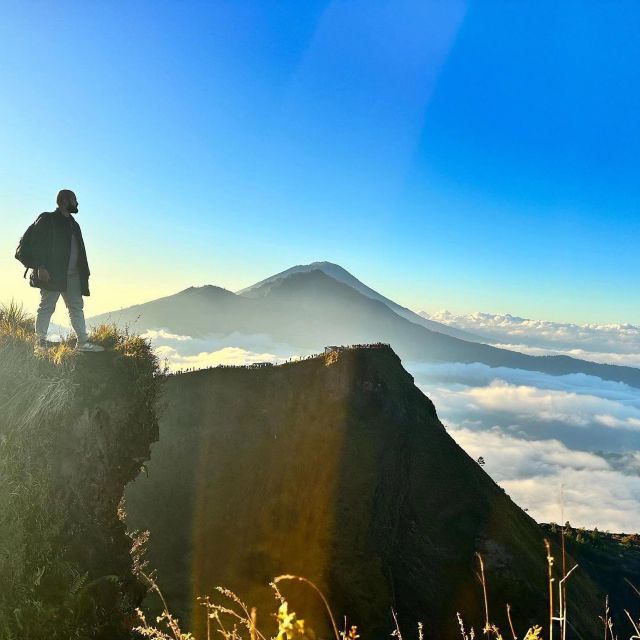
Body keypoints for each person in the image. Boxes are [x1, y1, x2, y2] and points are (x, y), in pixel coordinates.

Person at [31, 189, 104, 353]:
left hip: (73, 275)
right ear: (64, 200)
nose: (77, 203)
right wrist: (41, 266)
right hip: (52, 274)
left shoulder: (73, 224)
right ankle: (39, 344)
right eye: (74, 199)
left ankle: (82, 343)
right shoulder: (48, 219)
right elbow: (36, 244)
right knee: (47, 307)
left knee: (76, 308)